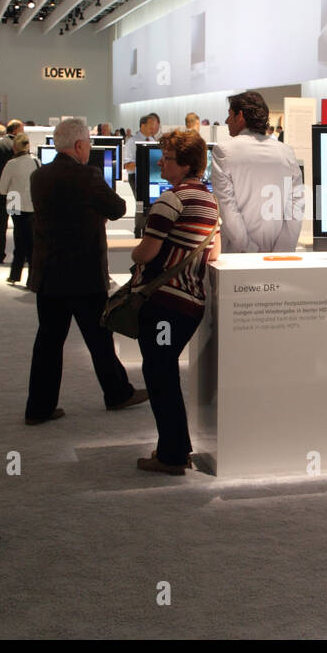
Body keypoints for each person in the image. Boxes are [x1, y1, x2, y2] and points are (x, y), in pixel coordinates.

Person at [25, 118, 147, 424]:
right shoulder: (88, 176)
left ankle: (38, 408)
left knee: (48, 342)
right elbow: (117, 208)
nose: (89, 149)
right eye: (88, 144)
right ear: (79, 145)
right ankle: (118, 393)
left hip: (49, 273)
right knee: (99, 338)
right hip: (83, 274)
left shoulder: (39, 176)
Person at [130, 131, 220, 474]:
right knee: (163, 372)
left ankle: (172, 454)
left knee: (159, 374)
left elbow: (146, 252)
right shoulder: (210, 201)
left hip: (165, 303)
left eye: (166, 157)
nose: (159, 162)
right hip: (191, 303)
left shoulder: (171, 200)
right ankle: (175, 449)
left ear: (184, 163)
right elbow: (214, 251)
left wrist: (139, 253)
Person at [212, 91, 304, 253]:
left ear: (240, 116)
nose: (226, 121)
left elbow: (228, 209)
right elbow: (295, 207)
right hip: (277, 257)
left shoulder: (224, 151)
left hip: (237, 257)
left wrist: (249, 251)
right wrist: (281, 251)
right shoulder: (286, 153)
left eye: (229, 115)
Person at [0, 132, 39, 284]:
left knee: (19, 239)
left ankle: (15, 274)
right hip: (33, 205)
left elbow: (2, 188)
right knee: (32, 242)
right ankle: (31, 278)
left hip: (15, 204)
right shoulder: (36, 162)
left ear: (14, 148)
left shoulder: (11, 164)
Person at [0, 119, 22, 265]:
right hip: (14, 191)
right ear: (15, 131)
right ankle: (19, 253)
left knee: (1, 224)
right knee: (17, 224)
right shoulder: (18, 146)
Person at [123, 113, 161, 202]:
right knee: (141, 204)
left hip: (151, 177)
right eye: (151, 127)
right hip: (136, 178)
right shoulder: (132, 142)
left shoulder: (152, 141)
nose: (153, 130)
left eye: (154, 128)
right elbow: (128, 166)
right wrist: (144, 164)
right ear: (143, 126)